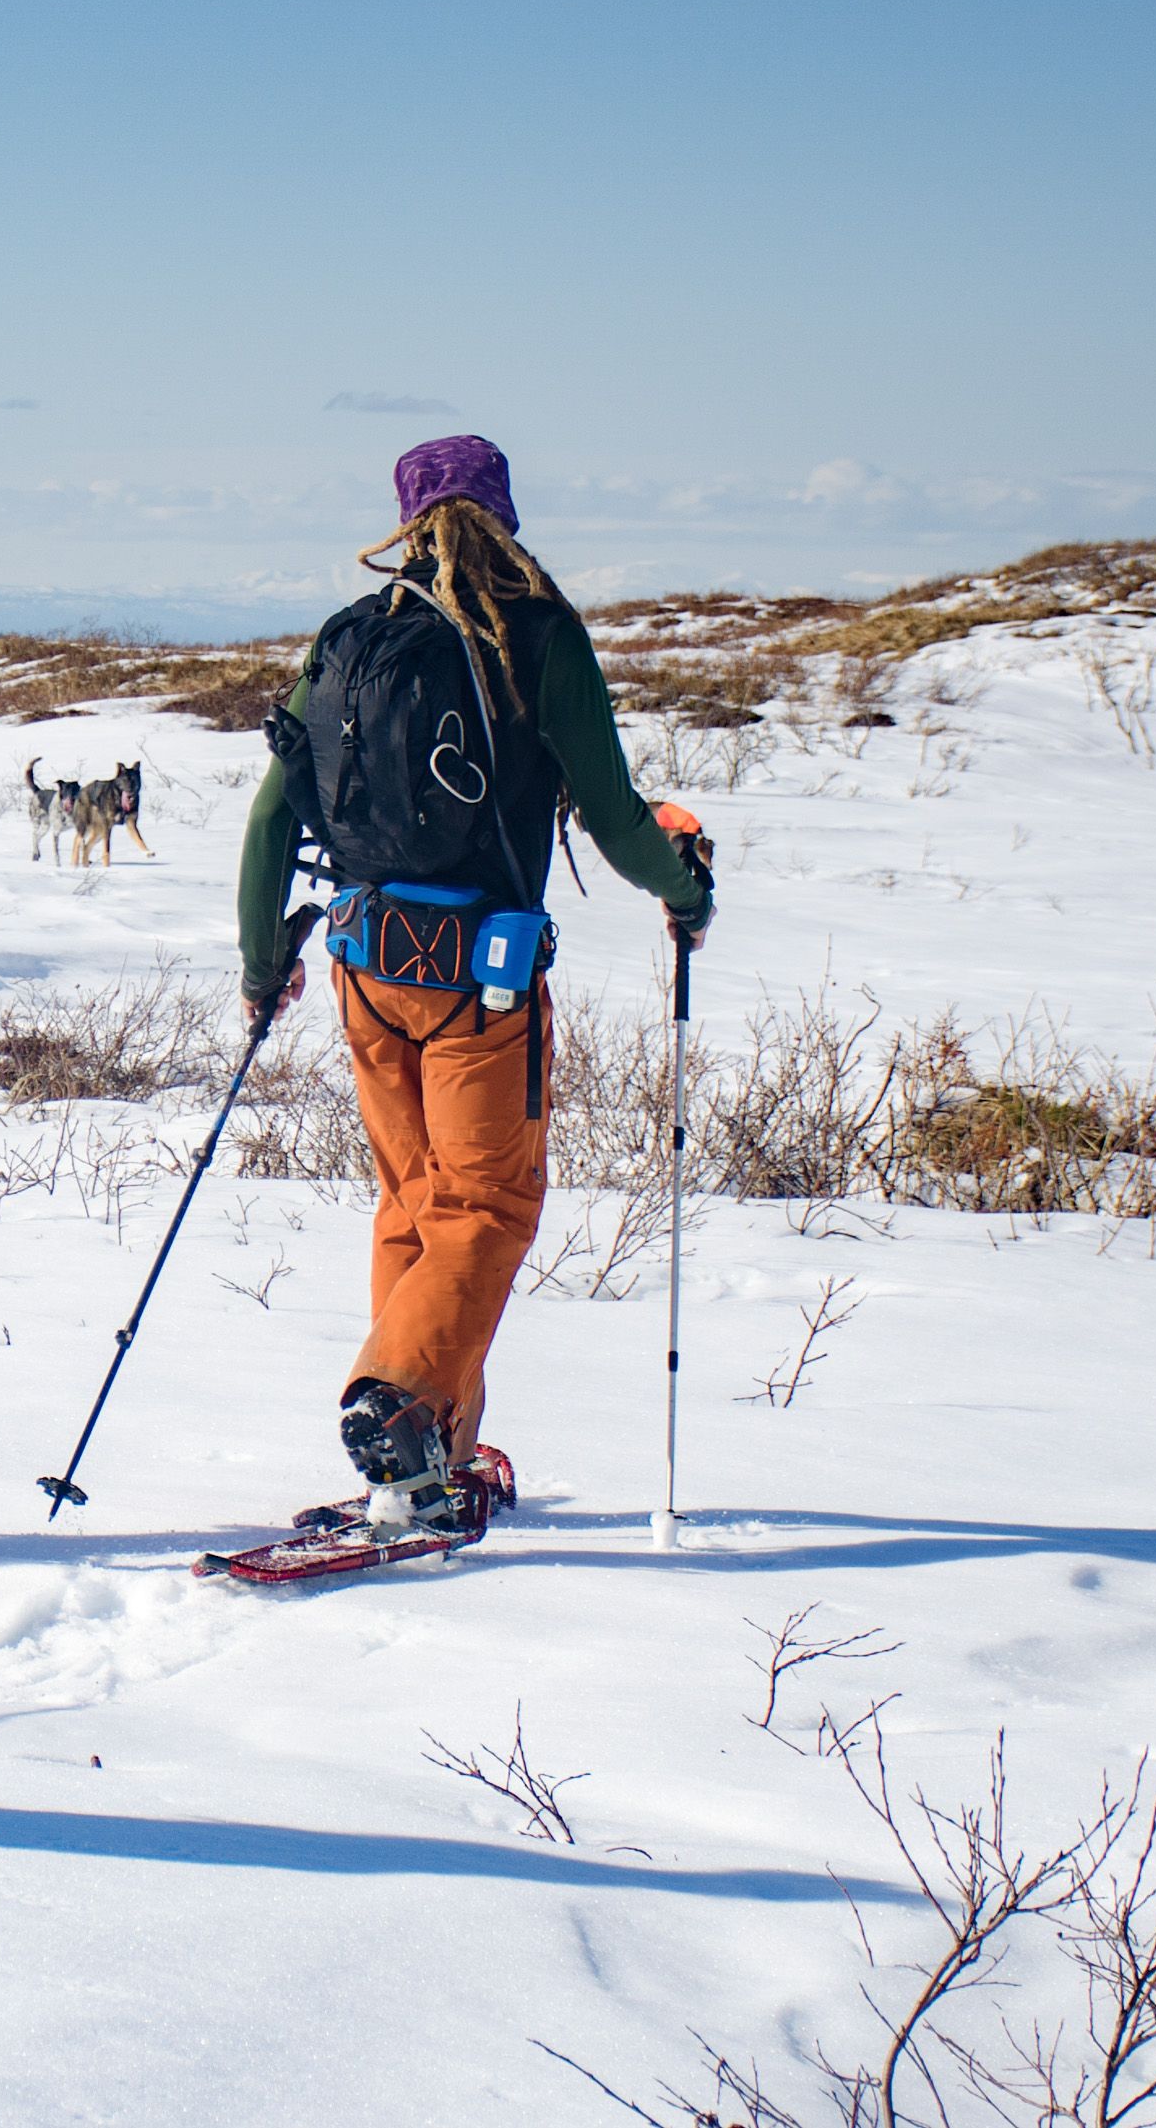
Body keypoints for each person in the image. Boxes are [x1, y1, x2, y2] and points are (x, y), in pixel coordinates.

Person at [233, 434, 708, 1530]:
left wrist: (264, 967)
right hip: (478, 985)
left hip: (362, 966)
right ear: (504, 512)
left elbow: (269, 821)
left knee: (416, 1203)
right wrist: (680, 889)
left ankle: (427, 1457)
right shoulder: (535, 635)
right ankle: (398, 1403)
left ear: (404, 521)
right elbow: (615, 815)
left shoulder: (350, 638)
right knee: (486, 1203)